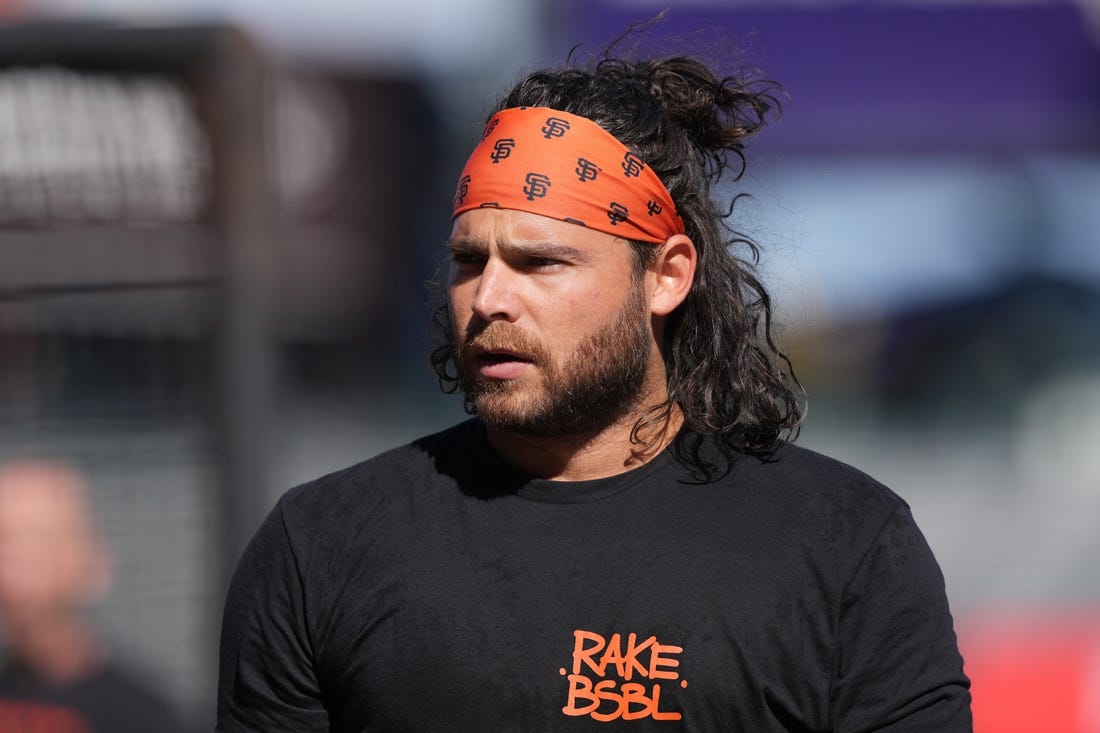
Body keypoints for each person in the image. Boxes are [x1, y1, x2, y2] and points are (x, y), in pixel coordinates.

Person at [216, 51, 972, 731]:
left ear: (667, 274)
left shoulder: (846, 546)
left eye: (541, 262)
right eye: (468, 260)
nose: (488, 300)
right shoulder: (322, 545)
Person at [0, 460, 191, 733]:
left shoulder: (141, 715)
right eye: (4, 543)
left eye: (38, 542)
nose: (12, 567)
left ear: (93, 561)